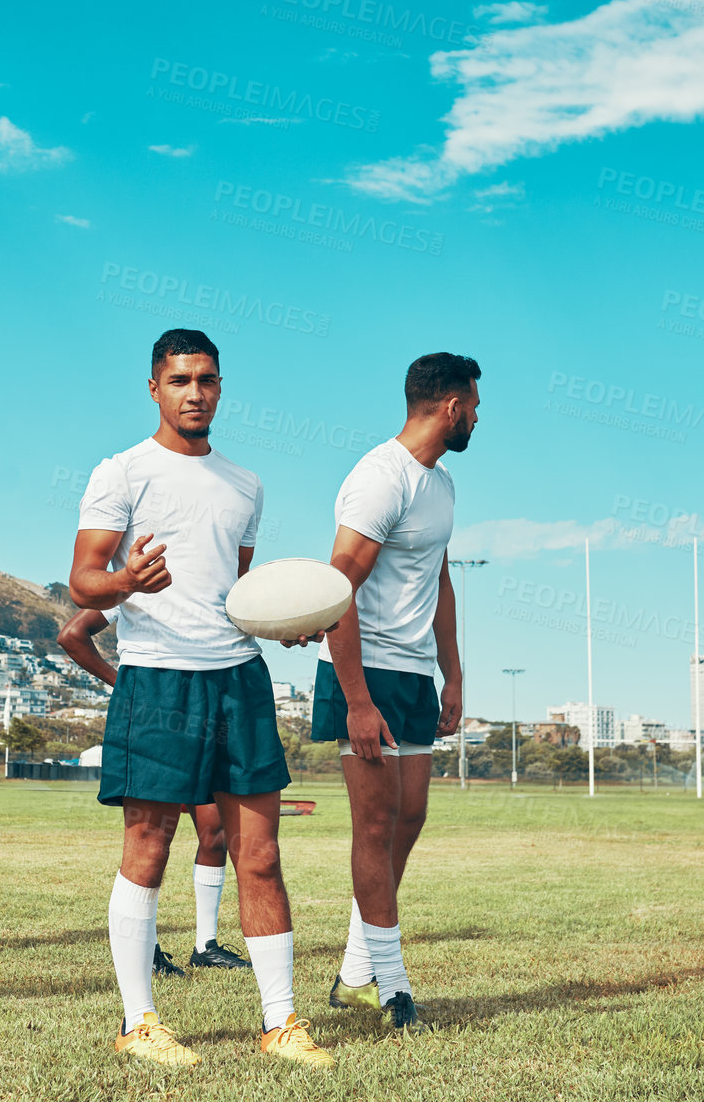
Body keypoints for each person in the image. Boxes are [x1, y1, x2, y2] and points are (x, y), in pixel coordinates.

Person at [69, 329, 334, 1068]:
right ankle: (138, 1020)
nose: (195, 392)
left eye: (208, 379)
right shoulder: (121, 471)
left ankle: (281, 1021)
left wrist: (281, 626)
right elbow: (83, 579)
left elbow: (238, 593)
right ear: (154, 387)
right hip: (156, 676)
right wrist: (126, 582)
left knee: (262, 852)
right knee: (148, 845)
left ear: (221, 387)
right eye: (181, 379)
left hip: (237, 677)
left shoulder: (246, 483)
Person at [313, 352, 479, 1030]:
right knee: (375, 823)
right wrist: (356, 698)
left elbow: (437, 580)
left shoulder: (441, 484)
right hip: (366, 671)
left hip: (413, 674)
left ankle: (356, 969)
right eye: (473, 403)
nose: (477, 416)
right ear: (448, 405)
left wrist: (454, 672)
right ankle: (393, 985)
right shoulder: (379, 479)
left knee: (409, 817)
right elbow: (337, 586)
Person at [57, 607, 253, 975]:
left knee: (215, 834)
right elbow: (72, 634)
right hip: (158, 717)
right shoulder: (138, 582)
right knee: (150, 845)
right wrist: (125, 685)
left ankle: (205, 945)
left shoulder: (216, 585)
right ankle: (146, 947)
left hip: (209, 714)